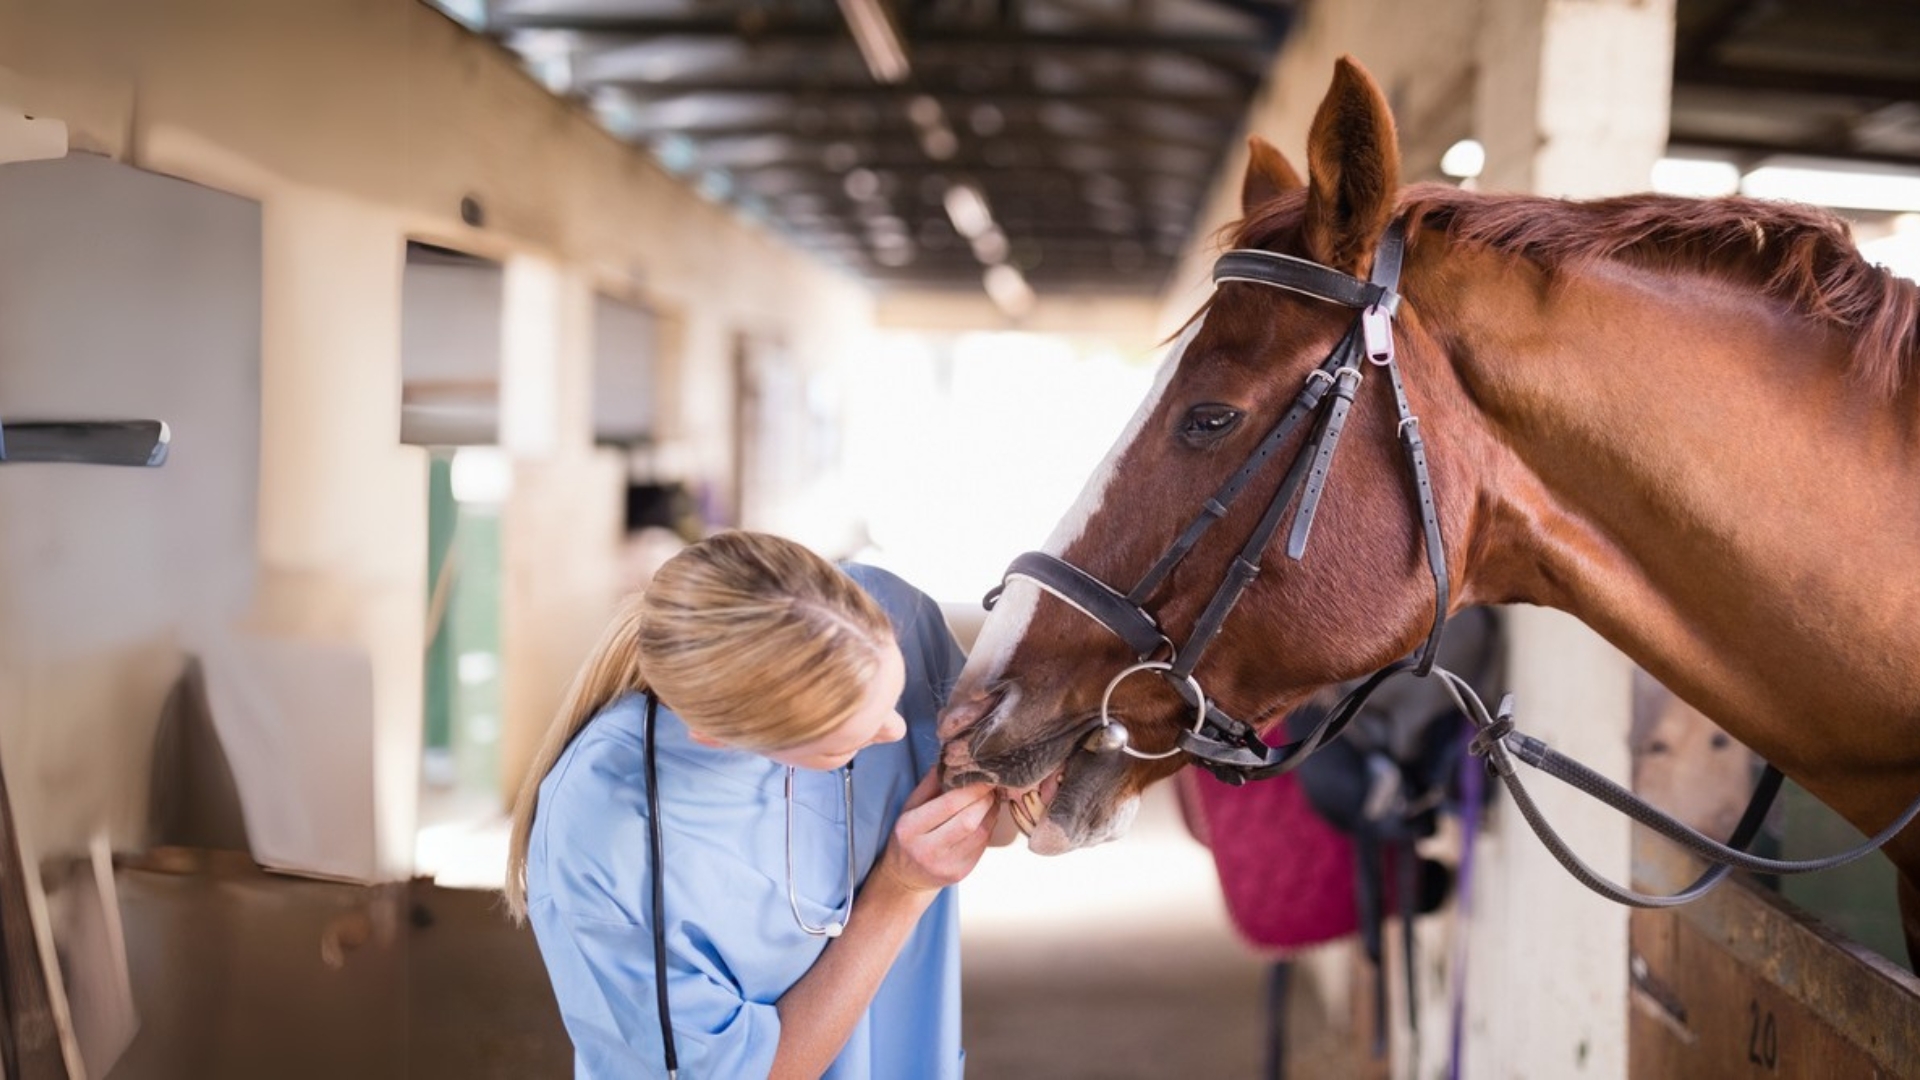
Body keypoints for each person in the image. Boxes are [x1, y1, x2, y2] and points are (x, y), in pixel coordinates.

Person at [504, 529, 1001, 1079]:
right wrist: (900, 892)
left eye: (896, 691)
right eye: (844, 743)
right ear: (720, 737)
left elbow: (1001, 819)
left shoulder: (890, 611)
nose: (899, 730)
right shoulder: (608, 834)